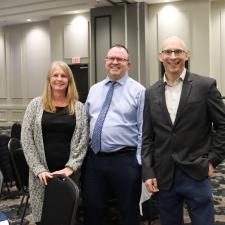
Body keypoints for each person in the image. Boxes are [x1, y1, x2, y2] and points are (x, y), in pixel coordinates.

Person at [142, 36, 225, 225]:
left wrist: (212, 160)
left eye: (178, 51)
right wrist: (148, 171)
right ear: (160, 56)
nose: (173, 56)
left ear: (186, 55)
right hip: (164, 175)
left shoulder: (205, 86)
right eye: (168, 52)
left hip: (197, 171)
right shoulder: (150, 92)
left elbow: (223, 126)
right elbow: (147, 137)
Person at [83, 44, 145, 225]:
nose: (115, 62)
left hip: (125, 161)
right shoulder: (94, 89)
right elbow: (86, 123)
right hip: (95, 160)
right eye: (111, 58)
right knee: (92, 209)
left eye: (120, 59)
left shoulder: (139, 91)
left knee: (128, 212)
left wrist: (139, 163)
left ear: (129, 64)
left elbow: (144, 130)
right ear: (105, 61)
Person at [21, 61, 88, 225]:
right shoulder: (35, 105)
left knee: (67, 217)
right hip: (42, 177)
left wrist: (70, 167)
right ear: (49, 80)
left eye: (63, 76)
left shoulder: (79, 107)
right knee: (43, 218)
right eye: (55, 75)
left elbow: (83, 140)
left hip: (69, 176)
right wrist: (38, 169)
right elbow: (26, 139)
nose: (59, 79)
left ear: (69, 80)